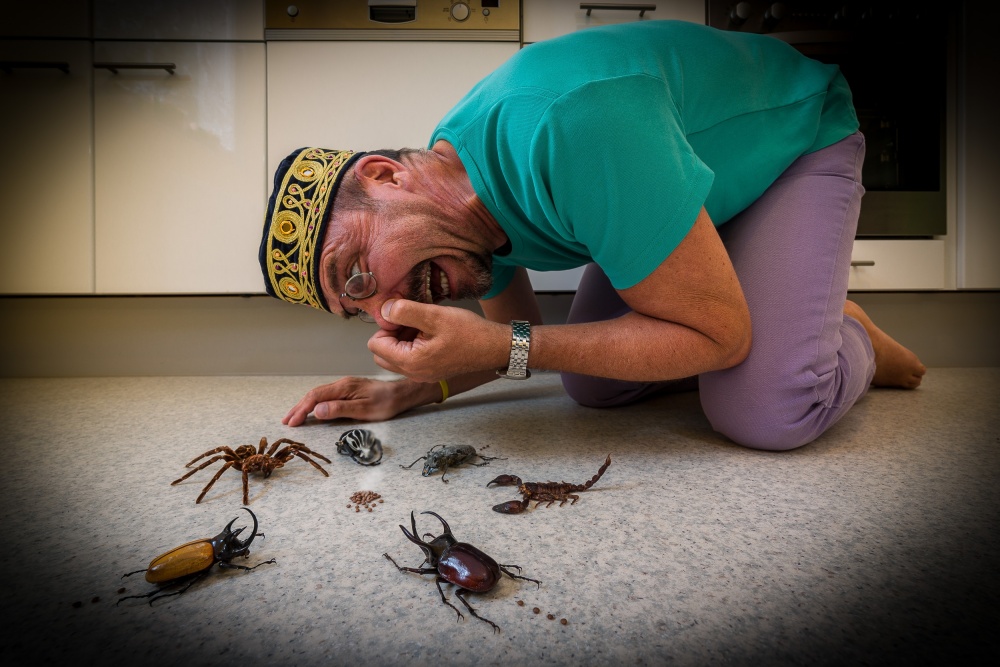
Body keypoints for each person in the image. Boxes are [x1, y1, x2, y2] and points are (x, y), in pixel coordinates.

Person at [259, 20, 926, 451]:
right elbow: (514, 336)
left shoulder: (569, 126)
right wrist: (415, 388)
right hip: (674, 186)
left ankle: (844, 335)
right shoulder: (456, 218)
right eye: (360, 310)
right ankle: (782, 315)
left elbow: (719, 337)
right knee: (592, 384)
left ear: (385, 177)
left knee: (766, 413)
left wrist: (504, 344)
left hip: (793, 142)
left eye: (357, 275)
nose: (386, 311)